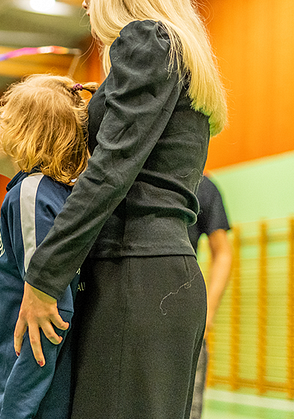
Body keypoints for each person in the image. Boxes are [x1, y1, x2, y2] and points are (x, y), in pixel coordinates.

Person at [15, 0, 228, 418]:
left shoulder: (146, 39)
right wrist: (105, 100)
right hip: (162, 280)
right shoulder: (172, 49)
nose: (85, 4)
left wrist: (43, 277)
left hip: (135, 276)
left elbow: (108, 173)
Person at [0, 74, 96, 419]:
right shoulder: (50, 196)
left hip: (30, 404)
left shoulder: (30, 195)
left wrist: (15, 410)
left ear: (25, 134)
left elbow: (51, 311)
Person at [188, 175, 232, 419]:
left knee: (189, 410)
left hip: (186, 315)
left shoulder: (203, 186)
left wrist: (208, 312)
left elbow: (223, 253)